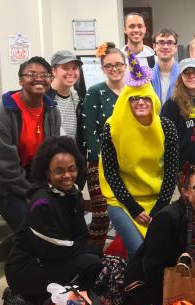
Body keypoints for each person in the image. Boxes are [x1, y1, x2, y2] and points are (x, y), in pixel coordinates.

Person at [0, 136, 102, 305]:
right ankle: (23, 302)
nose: (67, 176)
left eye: (72, 169)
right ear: (47, 173)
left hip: (48, 258)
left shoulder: (74, 195)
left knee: (94, 256)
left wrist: (84, 248)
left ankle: (47, 302)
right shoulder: (41, 203)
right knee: (90, 262)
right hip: (25, 269)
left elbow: (81, 235)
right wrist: (83, 249)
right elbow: (57, 248)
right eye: (59, 171)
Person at [98, 51, 179, 259]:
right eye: (134, 99)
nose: (141, 103)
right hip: (122, 200)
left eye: (146, 98)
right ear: (127, 102)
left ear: (153, 101)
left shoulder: (166, 127)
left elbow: (171, 171)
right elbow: (111, 172)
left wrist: (160, 208)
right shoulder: (112, 128)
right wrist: (133, 208)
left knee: (159, 250)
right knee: (138, 250)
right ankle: (136, 290)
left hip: (156, 198)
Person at [0, 56, 60, 233]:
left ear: (51, 80)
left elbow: (51, 152)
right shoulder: (4, 112)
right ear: (21, 80)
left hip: (29, 176)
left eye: (45, 74)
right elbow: (0, 164)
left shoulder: (52, 110)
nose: (38, 78)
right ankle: (22, 260)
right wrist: (29, 192)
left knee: (52, 219)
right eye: (31, 74)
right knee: (29, 228)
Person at [125, 164, 195, 305]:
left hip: (187, 282)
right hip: (154, 287)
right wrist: (175, 297)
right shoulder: (168, 217)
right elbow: (152, 266)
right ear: (185, 192)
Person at [82, 42, 126, 247]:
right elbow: (89, 132)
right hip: (99, 165)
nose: (114, 69)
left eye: (118, 64)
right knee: (101, 216)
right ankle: (93, 261)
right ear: (103, 69)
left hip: (128, 165)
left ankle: (123, 259)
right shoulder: (95, 92)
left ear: (125, 65)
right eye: (109, 66)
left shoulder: (134, 92)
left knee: (127, 215)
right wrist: (103, 164)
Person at [48, 50, 83, 145]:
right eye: (65, 68)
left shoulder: (77, 98)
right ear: (54, 71)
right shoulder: (45, 99)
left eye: (75, 68)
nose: (71, 72)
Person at [151, 28, 179, 105]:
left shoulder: (183, 75)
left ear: (175, 47)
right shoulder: (147, 77)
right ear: (154, 46)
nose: (165, 47)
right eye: (161, 42)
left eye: (170, 43)